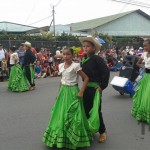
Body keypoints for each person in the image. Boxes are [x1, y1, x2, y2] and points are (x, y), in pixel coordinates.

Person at [42, 47, 92, 149]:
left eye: (68, 54)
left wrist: (81, 92)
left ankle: (73, 136)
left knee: (73, 114)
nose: (65, 56)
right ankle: (62, 137)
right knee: (60, 114)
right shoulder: (60, 65)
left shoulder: (75, 66)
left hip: (73, 91)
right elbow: (61, 80)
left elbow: (86, 78)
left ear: (72, 56)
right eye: (64, 54)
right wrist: (58, 92)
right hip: (63, 92)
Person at [80, 37, 110, 143]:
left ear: (93, 48)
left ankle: (102, 131)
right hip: (85, 88)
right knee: (86, 110)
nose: (85, 48)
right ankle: (91, 128)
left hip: (94, 89)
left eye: (88, 46)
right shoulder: (84, 59)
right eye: (84, 46)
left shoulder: (97, 59)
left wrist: (102, 86)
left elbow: (106, 72)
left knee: (96, 110)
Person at [131, 38, 150, 124]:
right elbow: (138, 63)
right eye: (143, 46)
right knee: (143, 95)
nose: (144, 47)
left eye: (146, 45)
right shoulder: (144, 54)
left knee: (147, 96)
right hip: (145, 76)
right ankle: (142, 113)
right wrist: (143, 67)